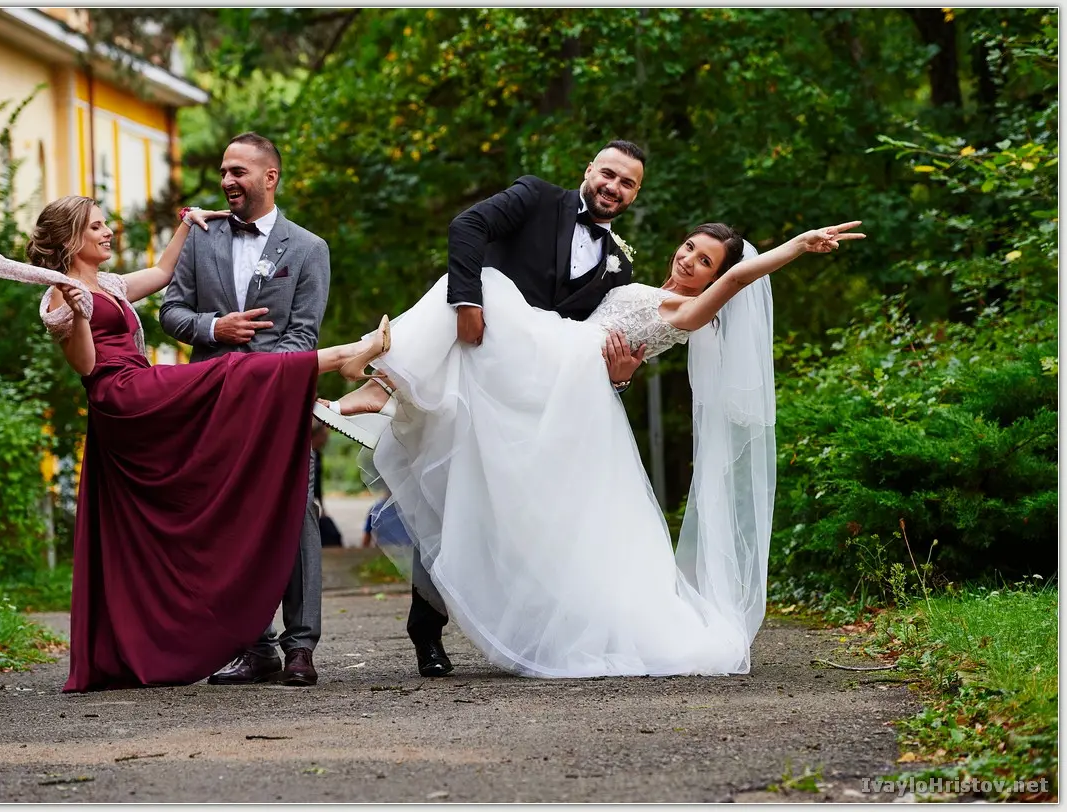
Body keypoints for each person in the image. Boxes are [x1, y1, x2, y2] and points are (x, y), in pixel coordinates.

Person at [326, 219, 864, 679]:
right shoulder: (634, 280)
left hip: (571, 369)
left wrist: (797, 246)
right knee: (469, 302)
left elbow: (742, 276)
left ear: (714, 278)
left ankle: (379, 376)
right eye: (689, 247)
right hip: (563, 360)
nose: (689, 260)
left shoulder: (690, 310)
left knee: (481, 283)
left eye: (705, 261)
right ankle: (386, 384)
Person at [0, 196, 388, 692]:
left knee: (228, 400)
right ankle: (346, 357)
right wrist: (78, 316)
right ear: (72, 239)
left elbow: (164, 273)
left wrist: (188, 223)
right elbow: (85, 366)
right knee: (230, 371)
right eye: (97, 227)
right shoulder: (61, 295)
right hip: (123, 395)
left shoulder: (109, 284)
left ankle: (341, 368)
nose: (108, 232)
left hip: (138, 388)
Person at [315, 140, 652, 677]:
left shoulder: (621, 269)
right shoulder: (535, 197)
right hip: (472, 369)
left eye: (627, 183)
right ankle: (426, 629)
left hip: (531, 403)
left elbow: (589, 345)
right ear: (589, 169)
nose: (613, 187)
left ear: (635, 194)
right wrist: (468, 302)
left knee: (520, 519)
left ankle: (528, 635)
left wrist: (621, 377)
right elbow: (467, 227)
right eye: (608, 174)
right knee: (446, 494)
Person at [160, 132, 331, 688]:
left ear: (269, 177)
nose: (227, 181)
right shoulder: (200, 238)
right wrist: (215, 328)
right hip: (213, 404)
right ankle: (255, 648)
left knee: (297, 515)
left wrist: (254, 374)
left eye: (238, 171)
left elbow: (303, 335)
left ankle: (300, 646)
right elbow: (171, 311)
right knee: (230, 522)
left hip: (279, 405)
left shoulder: (308, 248)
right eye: (223, 171)